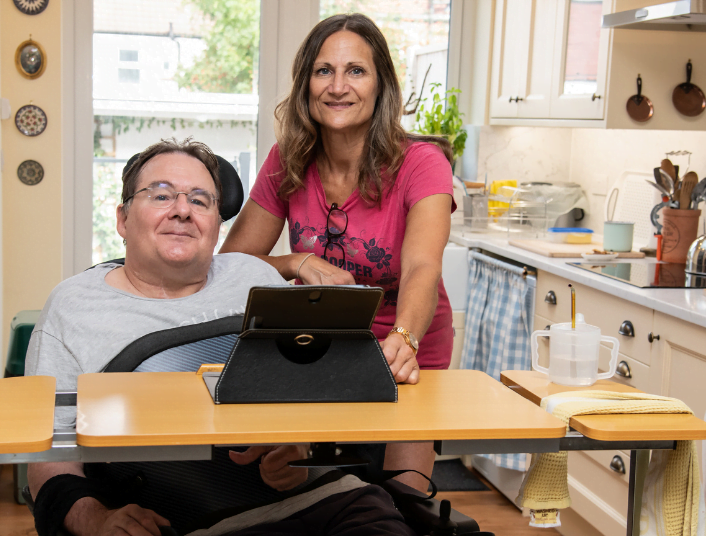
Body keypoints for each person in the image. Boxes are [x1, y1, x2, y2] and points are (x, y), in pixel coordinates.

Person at [25, 138, 416, 536]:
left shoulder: (254, 278)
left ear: (217, 225)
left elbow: (308, 396)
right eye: (161, 195)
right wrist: (97, 520)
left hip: (328, 504)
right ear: (123, 219)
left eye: (200, 200)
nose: (182, 210)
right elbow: (48, 456)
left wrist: (300, 448)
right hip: (187, 524)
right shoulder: (73, 308)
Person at [219, 13, 456, 492]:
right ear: (306, 83)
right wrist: (294, 262)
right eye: (324, 70)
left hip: (405, 347)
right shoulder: (287, 160)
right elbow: (231, 265)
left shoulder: (421, 163)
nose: (338, 86)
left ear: (381, 84)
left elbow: (422, 267)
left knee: (404, 499)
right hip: (315, 345)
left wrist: (406, 337)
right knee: (300, 487)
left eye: (356, 71)